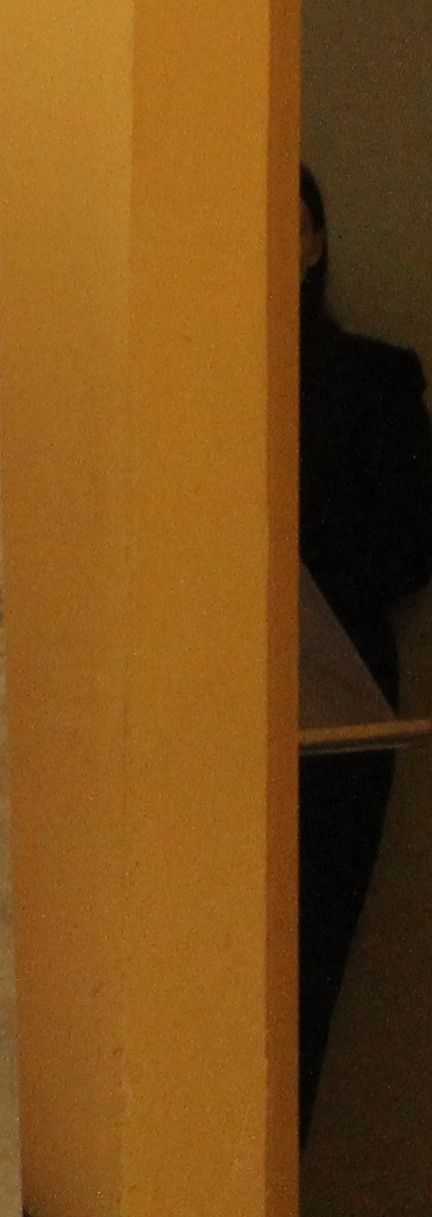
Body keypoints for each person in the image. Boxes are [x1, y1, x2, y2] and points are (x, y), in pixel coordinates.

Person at [299, 164, 432, 1120]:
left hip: (333, 710)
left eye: (287, 222)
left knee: (304, 976)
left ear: (315, 244)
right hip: (187, 708)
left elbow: (412, 545)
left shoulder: (374, 381)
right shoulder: (167, 386)